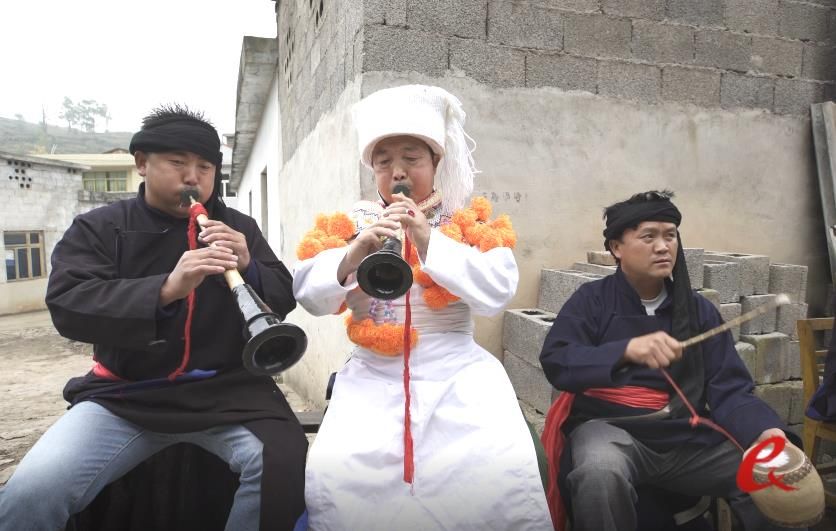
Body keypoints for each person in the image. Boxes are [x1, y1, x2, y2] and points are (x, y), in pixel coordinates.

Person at [0, 105, 307, 531]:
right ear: (142, 163)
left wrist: (249, 265)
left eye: (205, 167)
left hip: (230, 392)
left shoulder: (238, 227)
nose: (193, 178)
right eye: (178, 163)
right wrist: (164, 289)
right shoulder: (98, 227)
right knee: (31, 493)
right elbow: (68, 303)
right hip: (126, 396)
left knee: (285, 464)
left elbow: (282, 295)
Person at [292, 84, 551, 530]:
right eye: (384, 162)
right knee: (338, 472)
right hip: (372, 374)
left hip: (458, 372)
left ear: (435, 163)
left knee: (496, 469)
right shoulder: (351, 224)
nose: (397, 171)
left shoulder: (466, 223)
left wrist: (428, 240)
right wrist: (353, 254)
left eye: (411, 158)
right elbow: (309, 296)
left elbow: (496, 292)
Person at [539, 190, 798, 531]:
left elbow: (730, 388)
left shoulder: (698, 311)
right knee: (599, 470)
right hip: (612, 430)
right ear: (617, 247)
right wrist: (626, 350)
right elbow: (558, 361)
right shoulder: (591, 301)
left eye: (670, 236)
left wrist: (764, 431)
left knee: (770, 474)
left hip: (684, 438)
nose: (663, 247)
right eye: (648, 237)